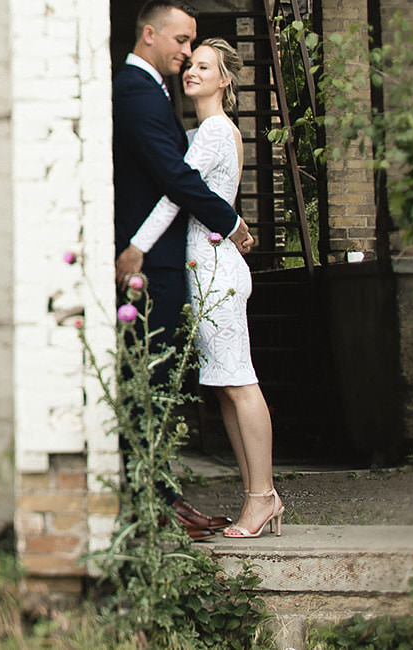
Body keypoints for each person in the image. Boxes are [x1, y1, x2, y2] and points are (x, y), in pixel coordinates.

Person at [123, 38, 282, 539]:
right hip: (208, 263)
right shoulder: (204, 131)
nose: (192, 72)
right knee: (225, 385)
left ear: (225, 80)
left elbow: (177, 196)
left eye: (205, 67)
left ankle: (263, 497)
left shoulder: (213, 131)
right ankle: (258, 495)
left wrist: (137, 247)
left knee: (239, 382)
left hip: (216, 268)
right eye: (190, 65)